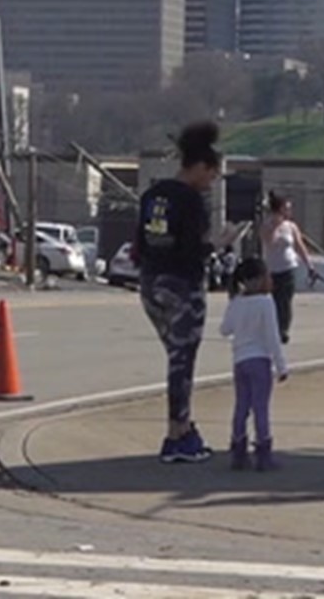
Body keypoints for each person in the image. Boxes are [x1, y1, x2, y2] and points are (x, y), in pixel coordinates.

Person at [134, 121, 224, 464]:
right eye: (211, 175)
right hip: (183, 284)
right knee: (182, 361)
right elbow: (192, 249)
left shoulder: (152, 195)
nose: (210, 182)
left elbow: (140, 244)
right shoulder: (191, 201)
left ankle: (184, 426)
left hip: (150, 283)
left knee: (175, 355)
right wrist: (217, 245)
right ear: (200, 167)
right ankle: (177, 434)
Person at [220, 255, 289, 471]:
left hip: (239, 360)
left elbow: (225, 329)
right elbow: (272, 336)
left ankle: (238, 450)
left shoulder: (236, 301)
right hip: (260, 360)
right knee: (261, 408)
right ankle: (263, 452)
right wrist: (281, 365)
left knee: (241, 406)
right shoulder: (266, 302)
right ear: (259, 279)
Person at [262, 193, 320, 344]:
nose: (289, 211)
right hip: (272, 270)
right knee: (273, 302)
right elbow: (269, 242)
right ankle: (272, 329)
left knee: (285, 301)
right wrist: (275, 225)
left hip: (288, 267)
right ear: (279, 209)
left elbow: (299, 246)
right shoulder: (267, 225)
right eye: (286, 208)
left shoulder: (291, 226)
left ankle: (283, 330)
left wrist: (309, 265)